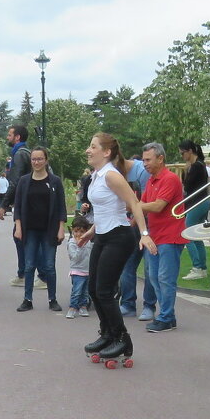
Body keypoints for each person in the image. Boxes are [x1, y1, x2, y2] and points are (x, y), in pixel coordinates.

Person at [80, 133, 156, 365]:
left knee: (104, 291)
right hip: (103, 236)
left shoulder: (112, 175)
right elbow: (106, 209)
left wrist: (144, 234)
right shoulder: (97, 175)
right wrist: (91, 232)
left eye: (92, 146)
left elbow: (134, 203)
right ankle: (108, 334)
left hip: (119, 237)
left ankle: (122, 338)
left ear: (106, 152)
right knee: (93, 289)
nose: (88, 150)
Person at [138, 142, 188, 332]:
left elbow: (157, 206)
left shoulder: (170, 178)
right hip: (155, 236)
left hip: (170, 236)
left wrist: (132, 205)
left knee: (165, 278)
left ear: (160, 158)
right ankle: (168, 315)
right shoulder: (151, 180)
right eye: (143, 160)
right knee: (153, 276)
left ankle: (166, 317)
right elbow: (143, 204)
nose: (144, 164)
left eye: (148, 160)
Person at [12, 146, 67, 312]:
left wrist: (61, 228)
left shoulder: (55, 181)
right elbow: (19, 206)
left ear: (46, 160)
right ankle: (27, 299)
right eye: (34, 159)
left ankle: (52, 299)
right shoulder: (24, 181)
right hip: (30, 230)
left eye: (40, 159)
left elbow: (61, 207)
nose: (36, 162)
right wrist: (18, 227)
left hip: (49, 229)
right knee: (29, 265)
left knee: (49, 265)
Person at [119, 153, 157, 319]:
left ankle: (149, 305)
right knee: (127, 264)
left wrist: (134, 220)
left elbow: (144, 203)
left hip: (148, 225)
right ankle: (127, 303)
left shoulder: (142, 172)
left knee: (149, 267)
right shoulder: (114, 174)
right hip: (130, 225)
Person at [0, 124, 33, 287]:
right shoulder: (26, 152)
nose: (7, 137)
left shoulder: (19, 155)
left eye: (10, 134)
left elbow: (15, 181)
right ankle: (27, 273)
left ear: (17, 137)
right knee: (25, 237)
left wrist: (4, 205)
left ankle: (26, 274)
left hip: (25, 203)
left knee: (20, 237)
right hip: (30, 201)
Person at [178, 140, 210, 280]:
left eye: (183, 153)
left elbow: (187, 186)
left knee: (187, 234)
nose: (182, 156)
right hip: (202, 202)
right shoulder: (200, 165)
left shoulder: (196, 166)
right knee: (197, 237)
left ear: (190, 151)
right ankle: (201, 268)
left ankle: (197, 267)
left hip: (197, 203)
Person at [66, 215, 93, 318]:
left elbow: (89, 255)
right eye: (76, 231)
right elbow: (74, 258)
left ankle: (83, 307)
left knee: (85, 292)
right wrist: (80, 246)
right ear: (73, 231)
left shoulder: (88, 242)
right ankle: (72, 308)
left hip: (87, 270)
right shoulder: (72, 243)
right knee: (76, 291)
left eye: (82, 232)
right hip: (77, 271)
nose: (79, 234)